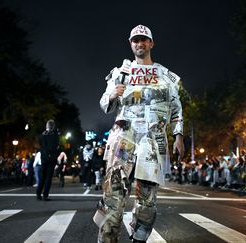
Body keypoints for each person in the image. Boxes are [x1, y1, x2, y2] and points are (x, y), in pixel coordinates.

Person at [93, 24, 184, 243]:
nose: (139, 43)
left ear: (151, 43)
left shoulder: (165, 75)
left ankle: (139, 238)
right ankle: (107, 239)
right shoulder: (120, 73)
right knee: (113, 195)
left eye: (144, 39)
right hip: (123, 140)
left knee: (148, 199)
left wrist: (179, 136)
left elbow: (176, 107)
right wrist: (113, 94)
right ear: (130, 44)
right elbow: (104, 103)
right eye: (135, 40)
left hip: (152, 142)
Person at [36, 119, 60, 201]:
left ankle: (38, 193)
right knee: (48, 178)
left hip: (44, 158)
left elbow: (40, 146)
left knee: (42, 177)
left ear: (46, 126)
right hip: (52, 158)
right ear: (53, 126)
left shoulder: (41, 136)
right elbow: (56, 147)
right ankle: (45, 195)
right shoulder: (55, 136)